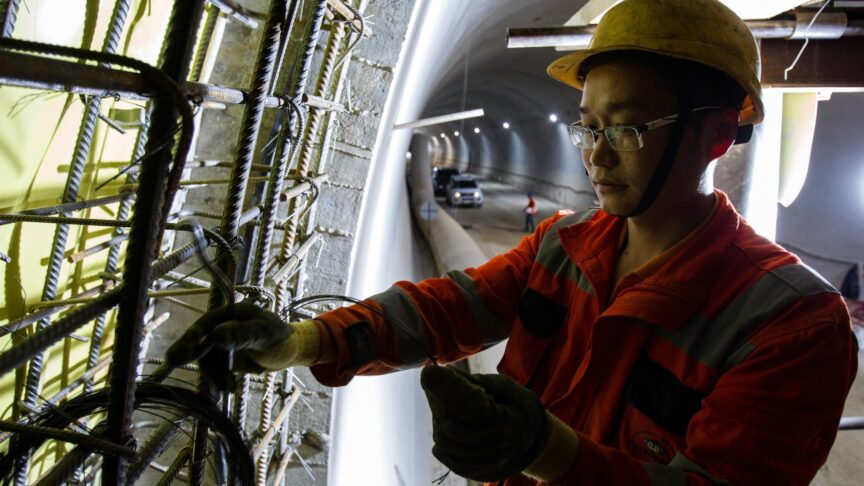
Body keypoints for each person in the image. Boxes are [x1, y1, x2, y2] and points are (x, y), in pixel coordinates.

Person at [166, 0, 857, 484]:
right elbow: (447, 310)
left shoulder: (788, 325)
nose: (597, 156)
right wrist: (301, 343)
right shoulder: (565, 247)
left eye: (627, 128)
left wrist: (549, 452)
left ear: (714, 134)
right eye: (588, 127)